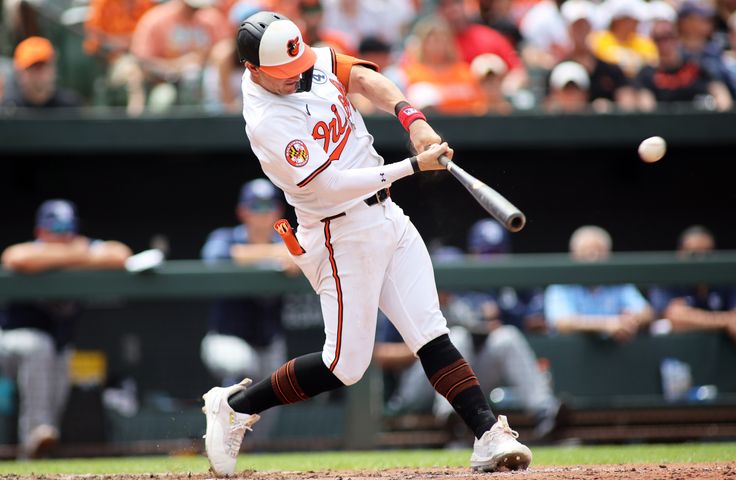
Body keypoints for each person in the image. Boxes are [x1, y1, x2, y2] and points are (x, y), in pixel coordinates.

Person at [201, 11, 532, 477]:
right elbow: (333, 184)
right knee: (344, 366)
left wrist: (411, 118)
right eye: (282, 75)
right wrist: (412, 165)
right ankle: (235, 406)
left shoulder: (302, 59)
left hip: (386, 215)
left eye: (298, 67)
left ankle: (487, 435)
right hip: (337, 231)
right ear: (252, 70)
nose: (295, 79)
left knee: (430, 330)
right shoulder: (265, 120)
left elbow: (360, 75)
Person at [0, 199, 132, 459]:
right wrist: (78, 255)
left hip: (57, 344)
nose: (65, 235)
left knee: (55, 390)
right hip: (12, 339)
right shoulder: (35, 250)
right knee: (38, 347)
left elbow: (120, 253)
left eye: (69, 228)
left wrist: (70, 256)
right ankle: (33, 437)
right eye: (57, 228)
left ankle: (38, 451)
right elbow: (14, 258)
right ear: (41, 231)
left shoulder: (83, 249)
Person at [374, 245, 562, 442]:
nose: (445, 287)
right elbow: (378, 354)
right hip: (415, 386)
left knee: (506, 337)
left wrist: (487, 329)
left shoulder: (466, 301)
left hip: (462, 381)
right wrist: (426, 348)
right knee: (456, 338)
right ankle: (450, 417)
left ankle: (545, 411)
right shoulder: (404, 301)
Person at [199, 178, 291, 387]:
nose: (264, 212)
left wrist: (291, 255)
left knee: (272, 401)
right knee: (241, 366)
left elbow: (307, 256)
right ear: (243, 211)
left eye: (269, 206)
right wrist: (277, 255)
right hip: (228, 338)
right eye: (257, 206)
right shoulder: (226, 238)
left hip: (270, 343)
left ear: (279, 211)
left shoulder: (285, 242)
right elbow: (213, 258)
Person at [544, 225, 654, 342]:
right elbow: (562, 323)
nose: (592, 257)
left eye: (599, 250)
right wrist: (608, 324)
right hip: (570, 356)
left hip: (615, 356)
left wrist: (629, 320)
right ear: (573, 255)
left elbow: (647, 313)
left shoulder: (618, 282)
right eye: (585, 251)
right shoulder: (561, 285)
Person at [129, 0, 229, 111]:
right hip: (165, 83)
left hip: (207, 83)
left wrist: (203, 62)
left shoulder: (212, 18)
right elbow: (142, 60)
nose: (197, 10)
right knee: (164, 98)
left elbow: (227, 50)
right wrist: (176, 66)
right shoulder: (156, 19)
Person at [649, 226, 736, 342]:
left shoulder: (725, 279)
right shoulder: (667, 279)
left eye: (707, 254)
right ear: (680, 253)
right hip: (677, 353)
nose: (701, 260)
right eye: (694, 254)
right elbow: (676, 317)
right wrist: (725, 321)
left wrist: (694, 318)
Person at [635, 20, 732, 111]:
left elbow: (721, 94)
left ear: (678, 38)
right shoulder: (647, 73)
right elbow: (646, 105)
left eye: (669, 37)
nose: (665, 43)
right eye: (659, 39)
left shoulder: (695, 66)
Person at [0, 36, 83, 112]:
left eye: (43, 66)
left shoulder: (70, 106)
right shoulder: (8, 109)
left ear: (54, 68)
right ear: (19, 72)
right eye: (32, 68)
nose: (39, 75)